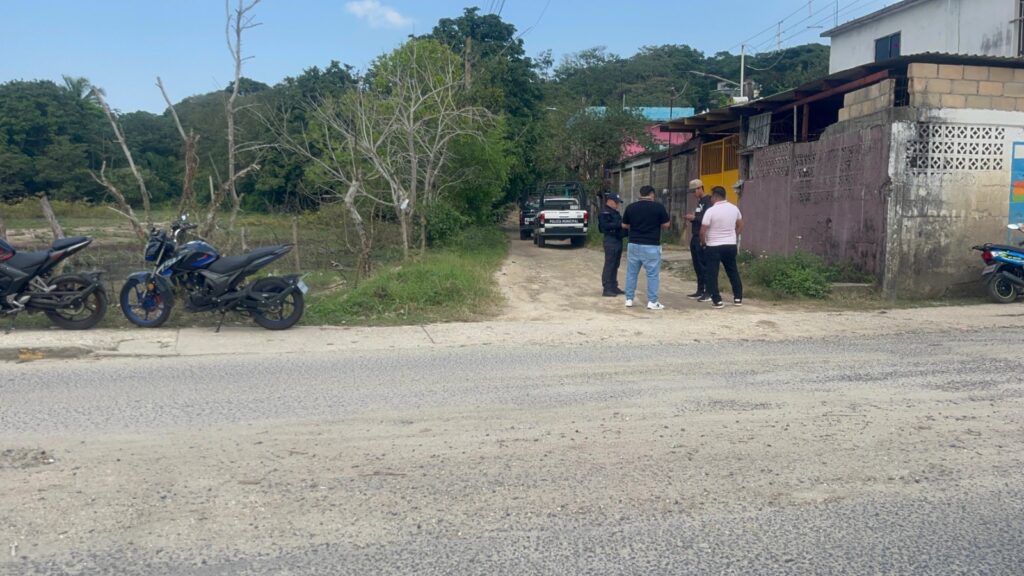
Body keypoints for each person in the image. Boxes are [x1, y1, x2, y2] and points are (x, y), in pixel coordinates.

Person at [621, 185, 670, 310]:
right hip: (651, 245)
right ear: (652, 194)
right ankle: (652, 301)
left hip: (634, 244)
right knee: (652, 275)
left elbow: (624, 225)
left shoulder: (631, 207)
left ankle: (629, 299)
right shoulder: (658, 207)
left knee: (631, 273)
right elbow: (666, 224)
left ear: (640, 194)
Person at [699, 186, 744, 309]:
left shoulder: (711, 211)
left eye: (712, 197)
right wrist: (733, 235)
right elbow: (740, 225)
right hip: (730, 245)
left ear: (715, 197)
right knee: (732, 271)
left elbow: (703, 231)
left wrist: (703, 243)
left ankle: (717, 300)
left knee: (712, 274)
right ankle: (738, 297)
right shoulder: (734, 208)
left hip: (714, 246)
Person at [685, 179, 713, 302]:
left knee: (704, 265)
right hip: (695, 236)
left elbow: (707, 219)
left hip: (703, 236)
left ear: (700, 188)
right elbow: (699, 217)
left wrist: (694, 218)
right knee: (697, 265)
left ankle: (708, 291)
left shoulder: (708, 201)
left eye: (694, 191)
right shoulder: (700, 202)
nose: (693, 194)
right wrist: (693, 219)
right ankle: (700, 289)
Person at [598, 192, 626, 297]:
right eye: (616, 202)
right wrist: (620, 224)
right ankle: (607, 288)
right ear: (609, 201)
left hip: (618, 240)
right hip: (610, 240)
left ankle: (614, 286)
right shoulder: (604, 213)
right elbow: (605, 226)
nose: (618, 204)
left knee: (615, 264)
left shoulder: (614, 212)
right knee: (610, 264)